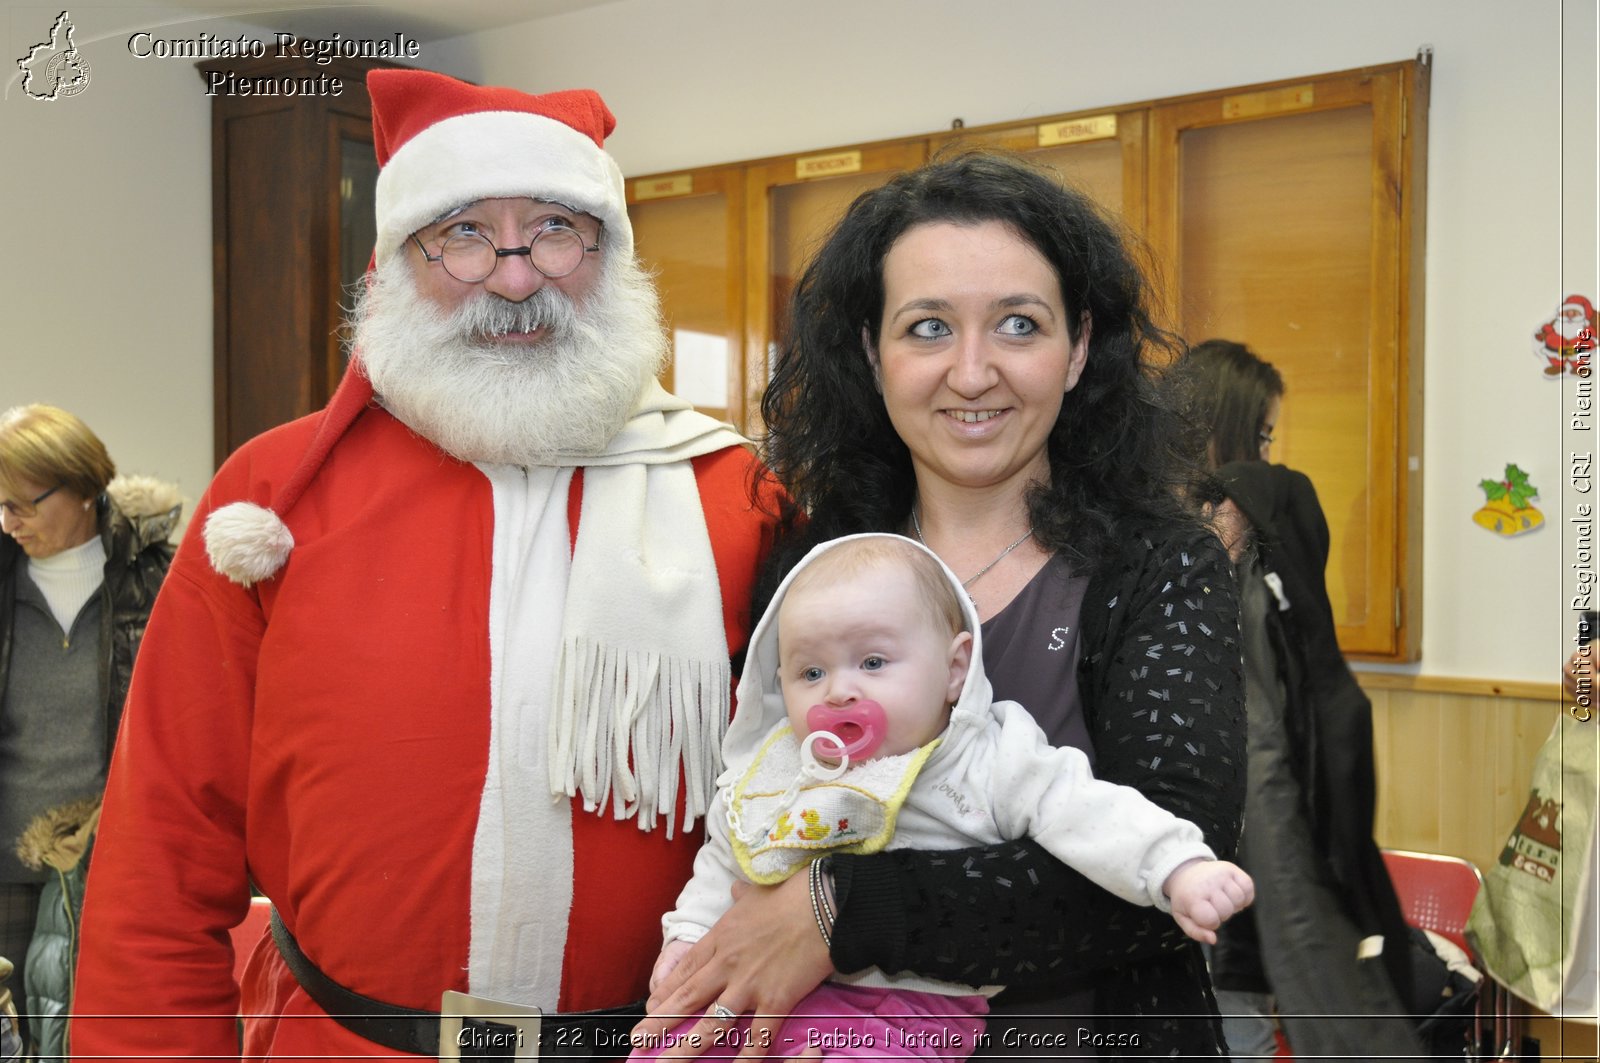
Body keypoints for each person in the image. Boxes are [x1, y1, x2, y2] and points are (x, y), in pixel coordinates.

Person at [69, 70, 774, 1060]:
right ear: (396, 261)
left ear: (612, 257)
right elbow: (166, 844)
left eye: (558, 231)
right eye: (465, 235)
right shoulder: (272, 494)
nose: (515, 277)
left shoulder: (733, 495)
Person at [639, 153, 1247, 1059]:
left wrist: (838, 914)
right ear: (868, 352)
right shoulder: (816, 565)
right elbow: (754, 802)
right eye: (927, 327)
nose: (972, 372)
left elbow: (1163, 884)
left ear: (1078, 347)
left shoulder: (1158, 566)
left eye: (1017, 324)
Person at [636, 534, 1253, 1062]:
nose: (840, 691)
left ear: (956, 668)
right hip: (764, 991)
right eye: (810, 673)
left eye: (873, 661)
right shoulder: (781, 767)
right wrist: (686, 941)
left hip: (907, 1004)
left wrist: (1178, 867)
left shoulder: (989, 755)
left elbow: (1088, 813)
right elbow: (726, 859)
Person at [1162, 339, 1425, 1060]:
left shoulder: (1223, 527)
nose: (1267, 453)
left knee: (1229, 998)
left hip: (1189, 819)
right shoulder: (1227, 526)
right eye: (1263, 432)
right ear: (1229, 422)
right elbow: (1263, 731)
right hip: (1238, 813)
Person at [0, 404, 181, 1056]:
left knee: (104, 1038)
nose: (6, 523)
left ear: (81, 488)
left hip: (118, 865)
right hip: (6, 870)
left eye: (21, 505)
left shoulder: (158, 579)